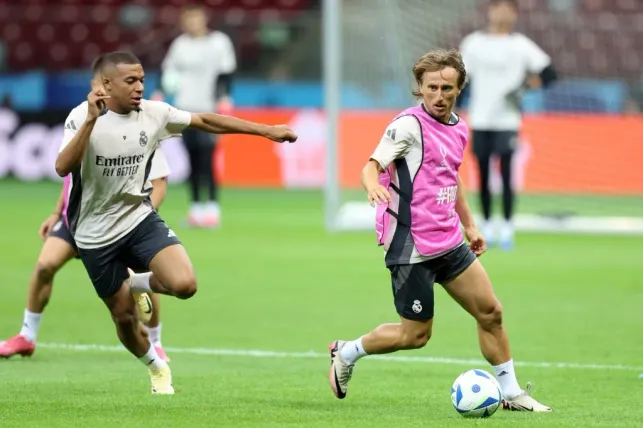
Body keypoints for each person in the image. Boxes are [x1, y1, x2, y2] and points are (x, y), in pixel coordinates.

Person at [55, 51, 296, 395]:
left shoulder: (155, 113)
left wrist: (266, 130)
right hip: (94, 234)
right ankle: (156, 367)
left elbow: (207, 121)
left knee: (185, 284)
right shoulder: (80, 117)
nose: (140, 87)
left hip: (138, 218)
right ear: (106, 85)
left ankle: (137, 283)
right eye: (131, 81)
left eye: (141, 79)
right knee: (124, 318)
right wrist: (92, 120)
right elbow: (62, 167)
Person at [327, 49, 551, 412]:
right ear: (420, 87)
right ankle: (346, 352)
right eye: (431, 87)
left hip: (448, 240)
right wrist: (372, 185)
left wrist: (470, 224)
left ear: (459, 88)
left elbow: (452, 176)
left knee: (491, 312)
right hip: (410, 245)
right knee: (415, 336)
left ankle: (511, 394)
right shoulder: (407, 126)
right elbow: (372, 165)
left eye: (447, 88)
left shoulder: (460, 127)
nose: (439, 95)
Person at [0, 63, 172, 362]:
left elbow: (159, 183)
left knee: (141, 278)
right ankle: (27, 336)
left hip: (119, 220)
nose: (99, 92)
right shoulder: (82, 123)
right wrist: (56, 213)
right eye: (96, 87)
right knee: (44, 267)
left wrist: (141, 217)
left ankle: (155, 341)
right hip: (76, 220)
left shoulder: (141, 127)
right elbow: (71, 178)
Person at [458, 0, 557, 249]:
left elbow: (549, 73)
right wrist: (454, 110)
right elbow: (462, 79)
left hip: (507, 120)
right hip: (480, 118)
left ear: (514, 14)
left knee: (506, 172)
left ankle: (508, 227)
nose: (502, 12)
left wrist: (524, 88)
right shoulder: (473, 43)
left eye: (507, 8)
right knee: (482, 171)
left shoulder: (521, 45)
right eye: (497, 6)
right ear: (489, 11)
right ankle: (487, 224)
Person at [160, 3, 237, 228]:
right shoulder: (179, 45)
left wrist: (223, 99)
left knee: (207, 158)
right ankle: (195, 208)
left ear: (204, 19)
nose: (192, 23)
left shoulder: (219, 42)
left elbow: (226, 74)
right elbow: (168, 73)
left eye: (195, 18)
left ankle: (212, 208)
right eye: (188, 19)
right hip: (184, 109)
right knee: (191, 159)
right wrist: (162, 92)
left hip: (209, 108)